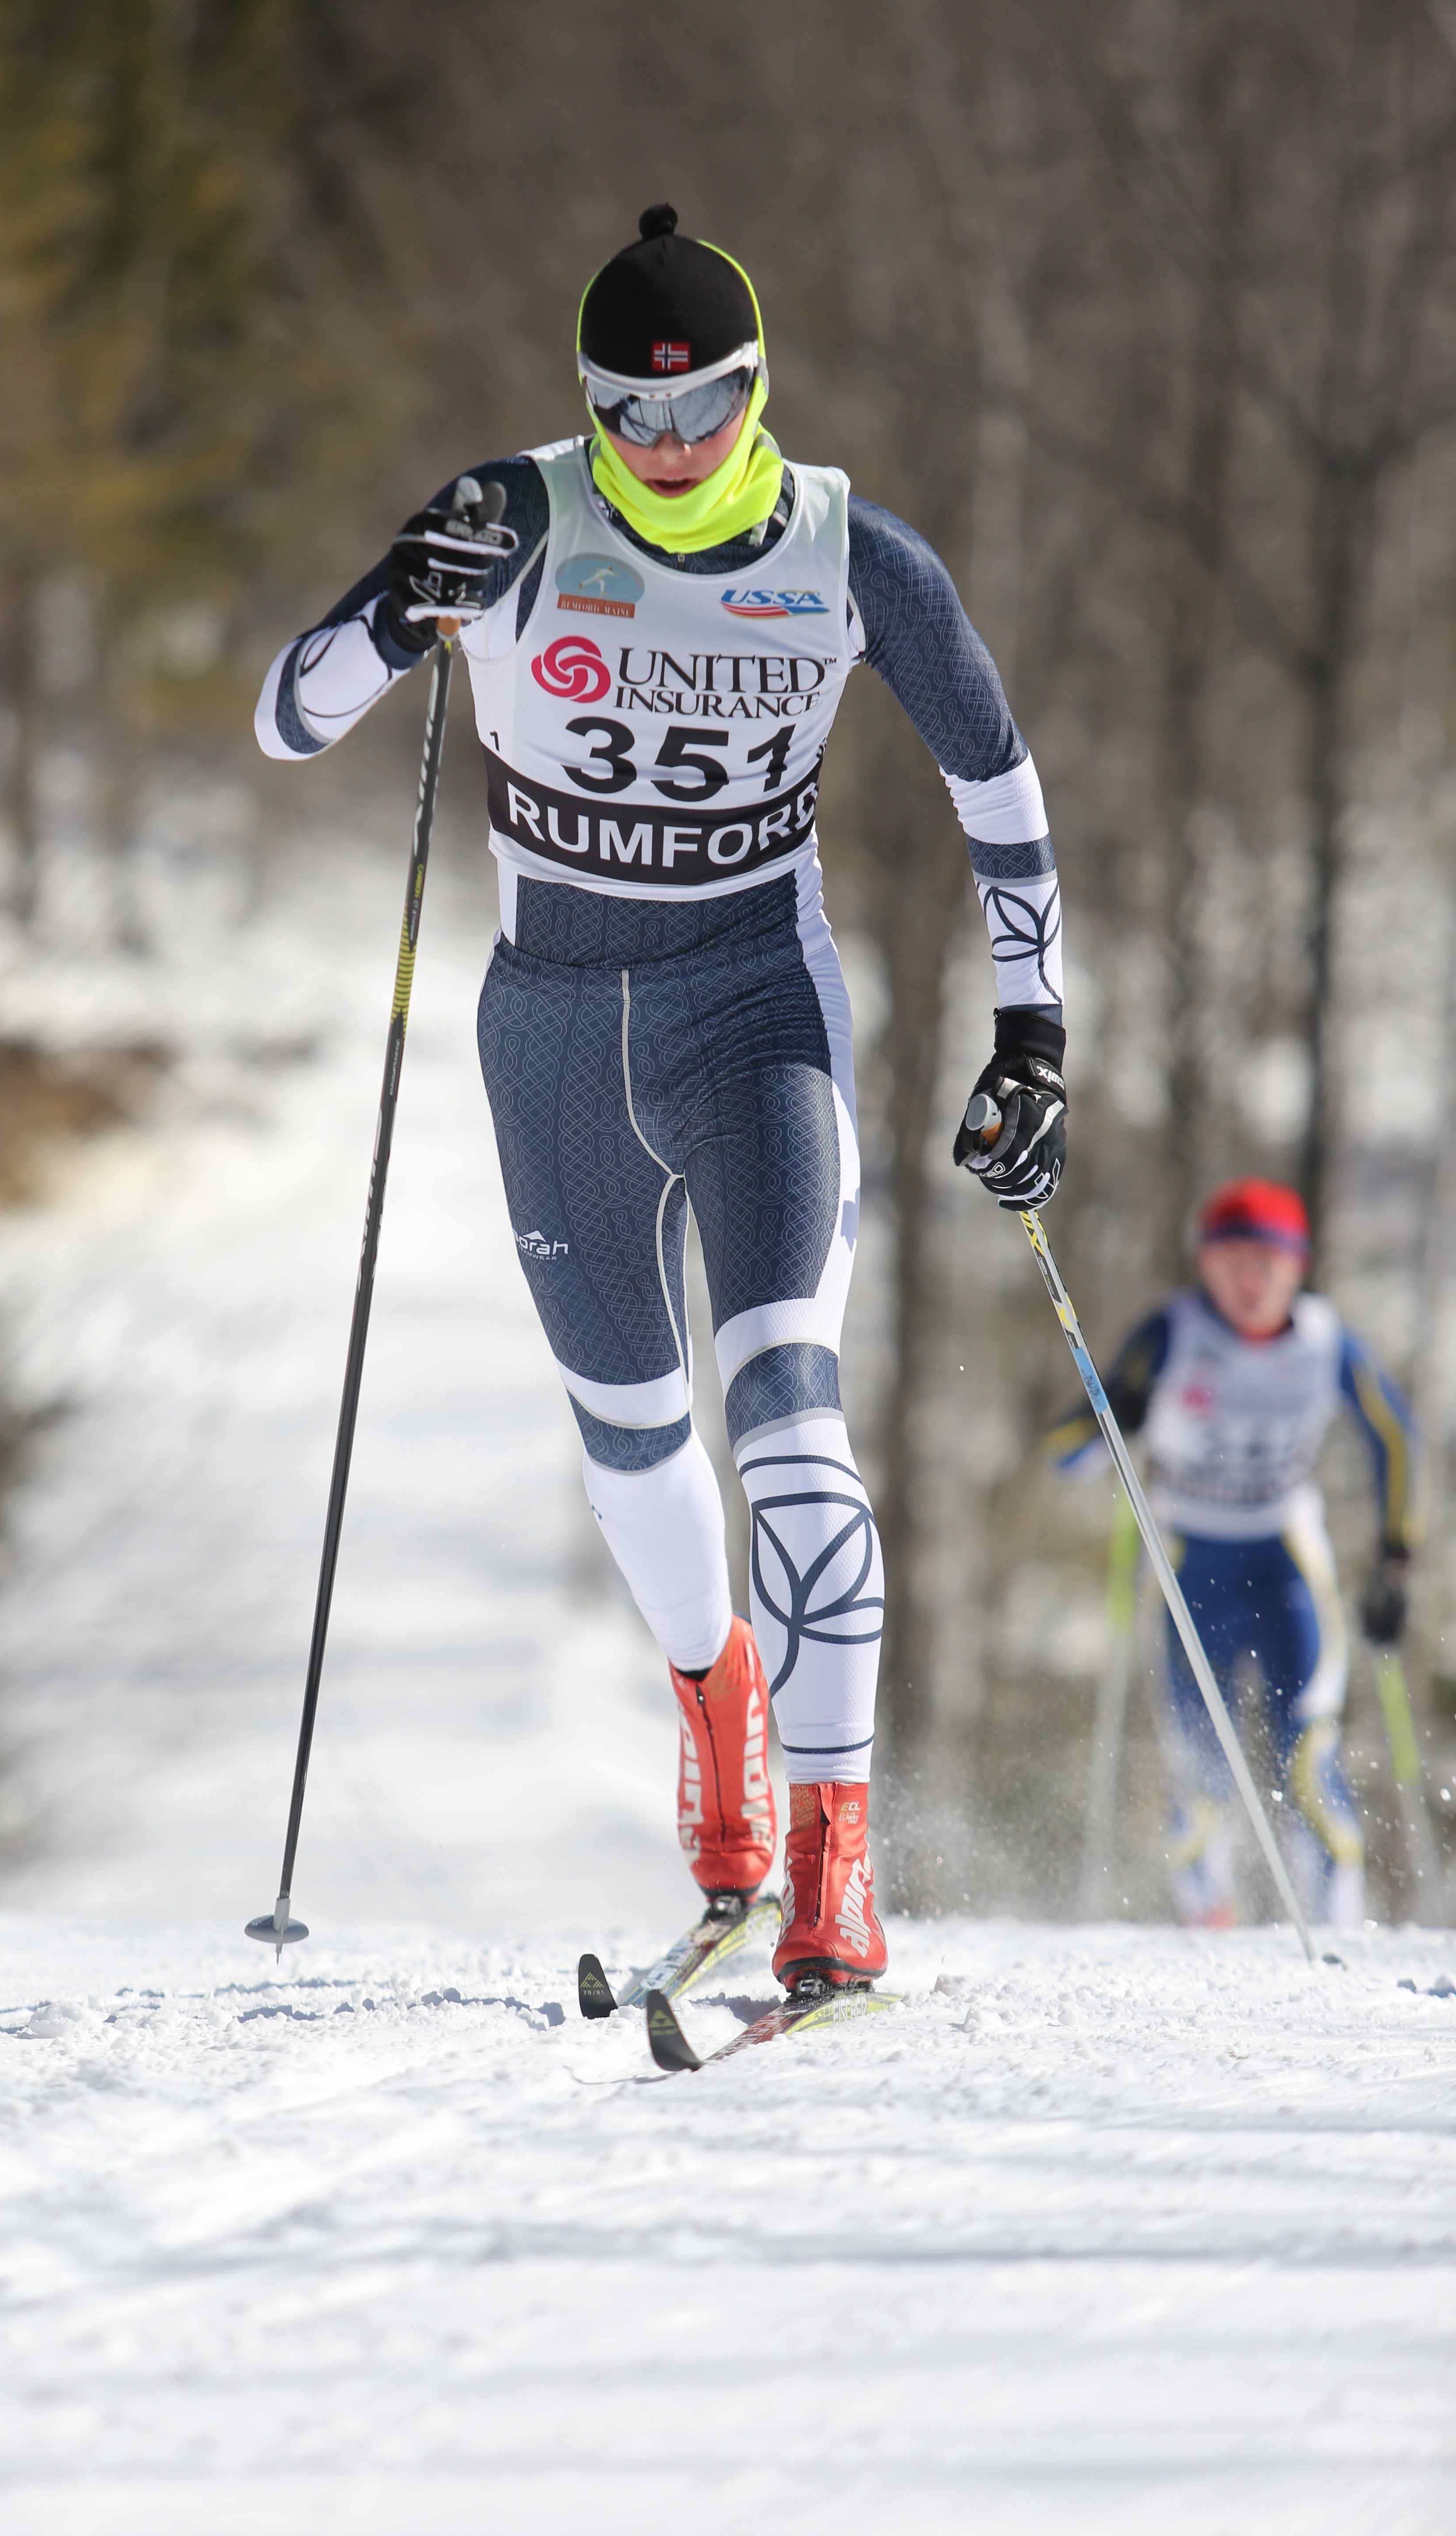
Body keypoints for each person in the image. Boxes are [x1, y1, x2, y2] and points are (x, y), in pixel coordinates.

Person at [257, 205, 1065, 1989]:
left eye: (708, 409)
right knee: (631, 1443)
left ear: (762, 390)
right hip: (552, 1036)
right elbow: (288, 720)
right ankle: (720, 1713)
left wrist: (1034, 1032)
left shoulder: (853, 557)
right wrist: (400, 610)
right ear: (588, 403)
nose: (674, 444)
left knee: (786, 1408)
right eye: (632, 412)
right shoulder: (514, 520)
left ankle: (834, 1857)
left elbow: (998, 785)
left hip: (756, 1013)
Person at [1047, 1176, 1420, 1927]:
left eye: (1269, 1265)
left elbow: (1395, 1438)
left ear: (1297, 1267)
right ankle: (1207, 1919)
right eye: (1234, 1263)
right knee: (1201, 1765)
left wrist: (1396, 1557)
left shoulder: (1325, 1341)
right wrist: (1115, 1414)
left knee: (1307, 1754)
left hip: (1287, 1561)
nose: (1252, 1283)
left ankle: (1337, 1928)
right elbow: (1069, 1452)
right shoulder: (1173, 1333)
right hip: (1193, 1566)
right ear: (1206, 1266)